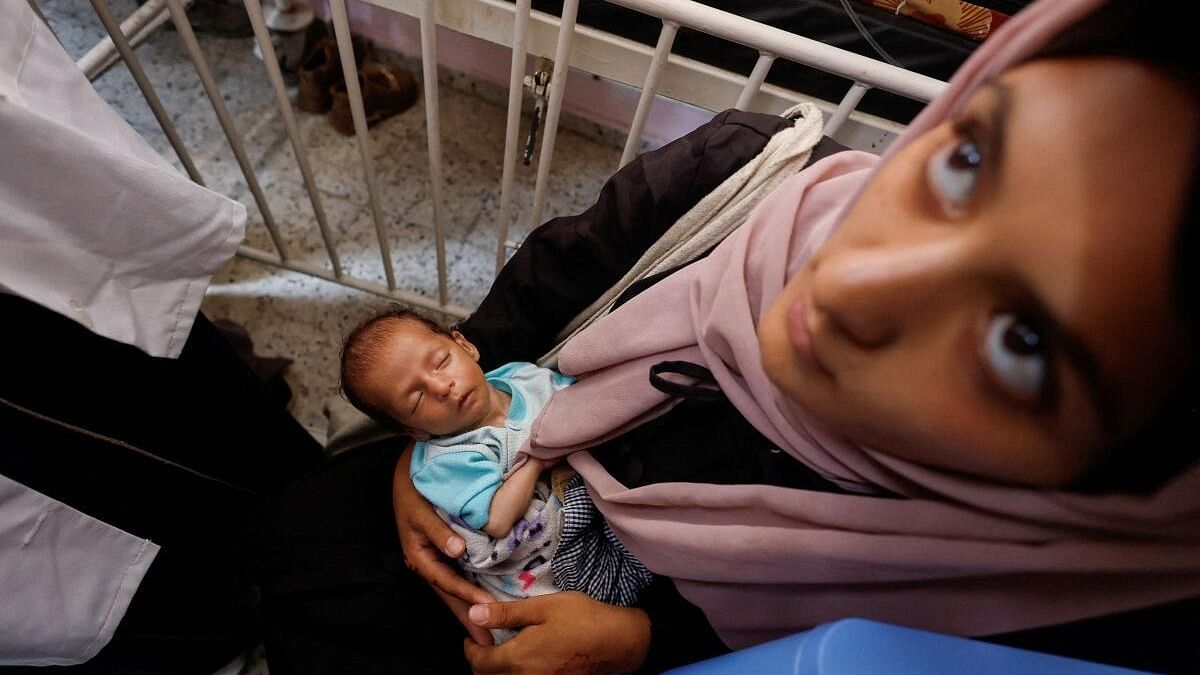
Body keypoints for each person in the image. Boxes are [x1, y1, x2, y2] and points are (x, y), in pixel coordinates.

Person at [244, 0, 1200, 673]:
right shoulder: (739, 176)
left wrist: (644, 646)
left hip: (614, 623)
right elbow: (531, 297)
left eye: (1021, 343)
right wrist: (426, 450)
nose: (854, 278)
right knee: (298, 540)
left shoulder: (1064, 616)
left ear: (1121, 476)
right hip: (471, 492)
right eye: (971, 161)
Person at [337, 309, 653, 641]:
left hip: (591, 522)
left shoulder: (524, 379)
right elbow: (498, 521)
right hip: (541, 580)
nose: (442, 386)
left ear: (464, 344)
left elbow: (581, 402)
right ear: (412, 430)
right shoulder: (446, 461)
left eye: (441, 362)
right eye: (416, 399)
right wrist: (536, 460)